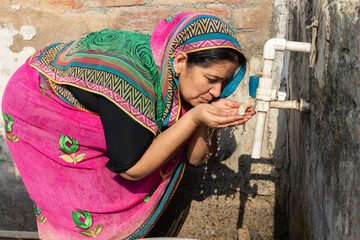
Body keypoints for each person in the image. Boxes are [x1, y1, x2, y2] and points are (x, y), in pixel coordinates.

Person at [2, 12, 254, 239]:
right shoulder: (134, 81)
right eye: (211, 80)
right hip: (37, 104)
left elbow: (197, 158)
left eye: (224, 82)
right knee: (82, 201)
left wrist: (207, 119)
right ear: (179, 62)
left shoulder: (171, 73)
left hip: (100, 101)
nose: (218, 90)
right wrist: (194, 118)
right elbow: (131, 169)